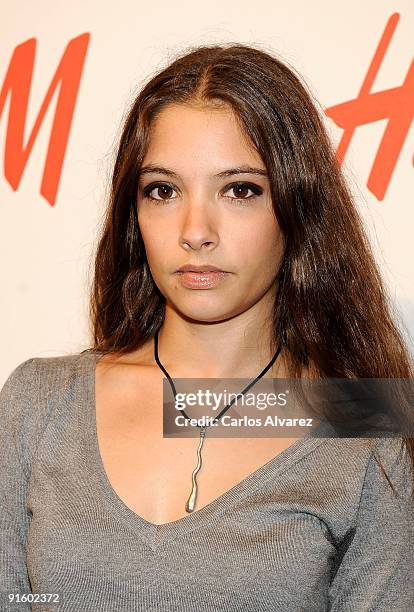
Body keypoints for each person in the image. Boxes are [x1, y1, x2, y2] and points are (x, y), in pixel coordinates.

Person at [1, 43, 413, 611]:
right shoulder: (41, 402)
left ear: (297, 208)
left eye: (240, 189)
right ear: (133, 212)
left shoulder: (362, 421)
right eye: (163, 190)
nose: (196, 230)